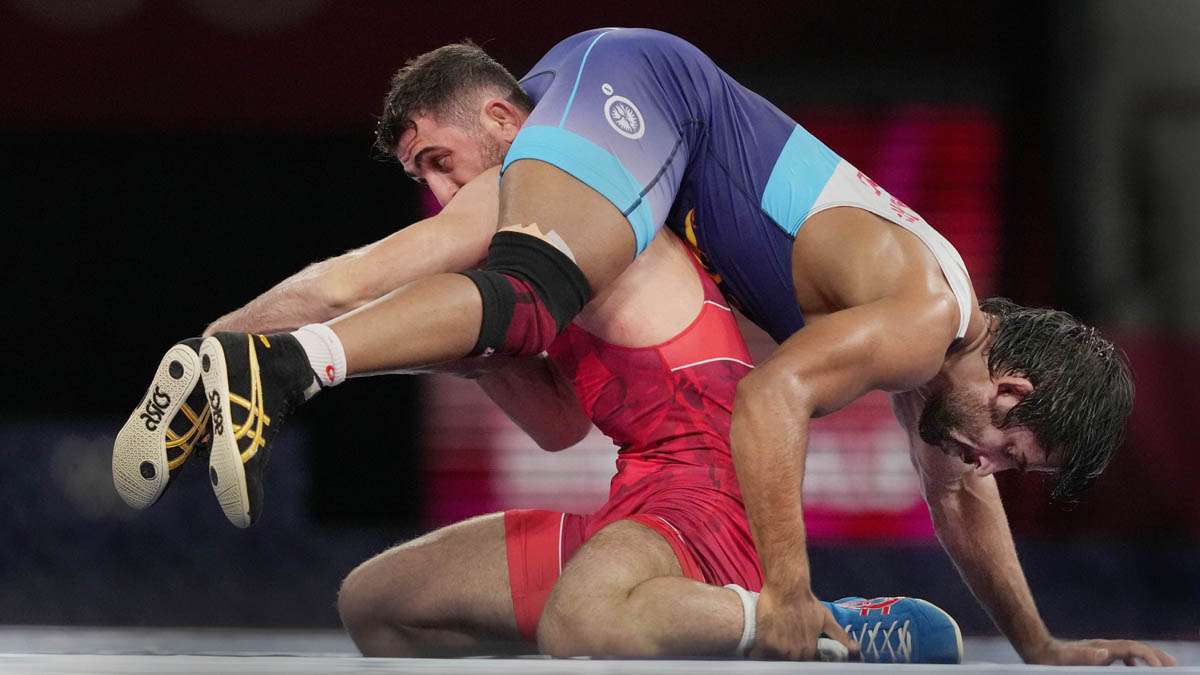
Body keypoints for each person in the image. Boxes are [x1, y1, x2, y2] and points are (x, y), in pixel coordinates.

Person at [118, 30, 1174, 665]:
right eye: (1006, 447)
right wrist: (792, 598)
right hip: (647, 91)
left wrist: (1037, 645)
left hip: (635, 104)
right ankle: (277, 367)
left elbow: (957, 498)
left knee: (456, 303)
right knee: (518, 289)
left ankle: (239, 360)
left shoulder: (932, 330)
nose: (985, 468)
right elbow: (772, 400)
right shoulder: (918, 322)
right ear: (1013, 386)